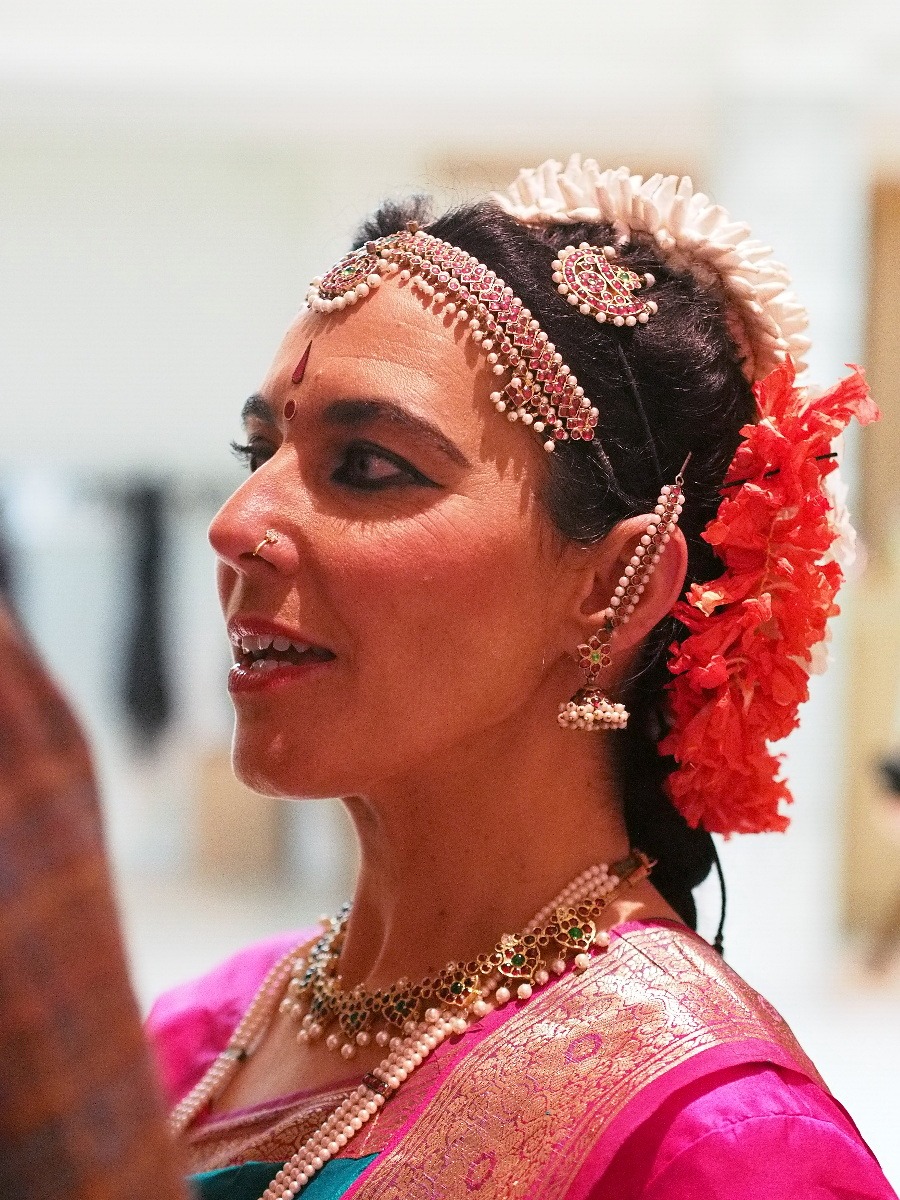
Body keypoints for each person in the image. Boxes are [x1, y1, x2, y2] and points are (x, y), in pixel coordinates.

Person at [111, 157, 900, 1196]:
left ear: (614, 587)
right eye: (258, 454)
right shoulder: (199, 1039)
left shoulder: (721, 1146)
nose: (236, 525)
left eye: (367, 466)